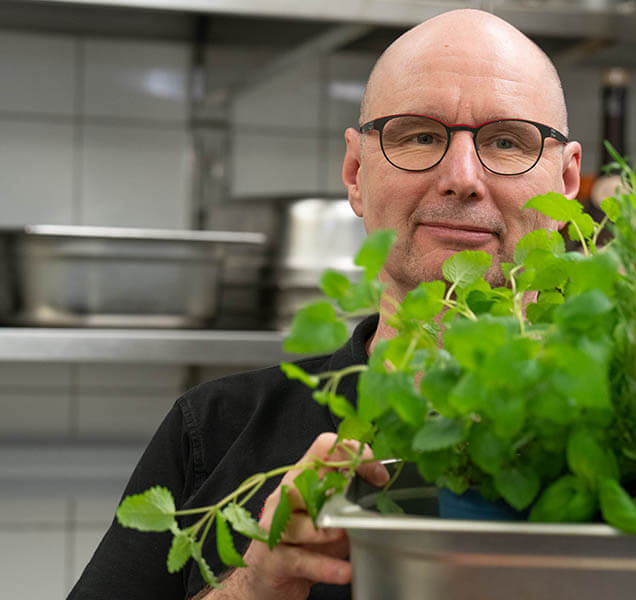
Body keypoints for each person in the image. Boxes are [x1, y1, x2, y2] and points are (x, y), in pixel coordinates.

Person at [67, 8, 581, 600]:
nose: (461, 176)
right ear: (356, 172)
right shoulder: (213, 430)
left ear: (567, 179)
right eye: (420, 136)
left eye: (507, 141)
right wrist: (256, 585)